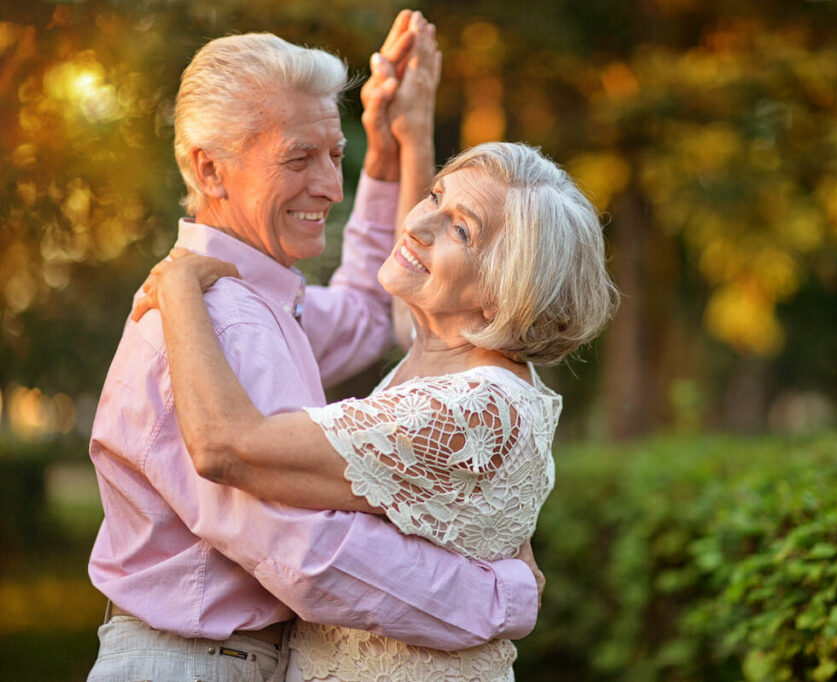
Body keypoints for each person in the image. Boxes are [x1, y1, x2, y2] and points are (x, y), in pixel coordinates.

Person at [87, 14, 544, 682]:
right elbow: (306, 551)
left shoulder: (260, 298)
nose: (330, 186)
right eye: (299, 159)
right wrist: (505, 594)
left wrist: (387, 156)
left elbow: (366, 312)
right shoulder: (226, 319)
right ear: (210, 170)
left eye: (335, 155)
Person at [131, 141, 619, 680]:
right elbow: (398, 298)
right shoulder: (434, 364)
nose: (419, 225)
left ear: (507, 289)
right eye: (435, 195)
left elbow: (227, 445)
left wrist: (178, 287)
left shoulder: (474, 408)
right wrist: (409, 132)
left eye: (461, 229)